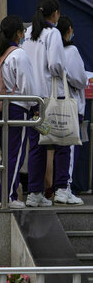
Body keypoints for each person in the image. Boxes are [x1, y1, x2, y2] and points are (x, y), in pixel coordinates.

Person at [20, 0, 78, 206]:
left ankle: (34, 193)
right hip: (53, 98)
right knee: (62, 140)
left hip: (34, 100)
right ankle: (62, 189)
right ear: (55, 14)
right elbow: (55, 64)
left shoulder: (27, 34)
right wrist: (64, 72)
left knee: (37, 145)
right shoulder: (52, 33)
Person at [0, 16, 37, 209]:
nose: (24, 35)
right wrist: (35, 105)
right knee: (15, 154)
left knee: (7, 154)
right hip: (16, 108)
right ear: (18, 33)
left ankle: (5, 194)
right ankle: (7, 196)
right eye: (23, 32)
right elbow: (27, 85)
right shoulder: (19, 55)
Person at [57, 15, 89, 201]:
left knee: (57, 149)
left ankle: (58, 187)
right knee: (69, 149)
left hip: (55, 104)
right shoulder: (72, 51)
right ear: (68, 30)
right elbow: (80, 79)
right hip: (71, 105)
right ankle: (64, 188)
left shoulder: (51, 50)